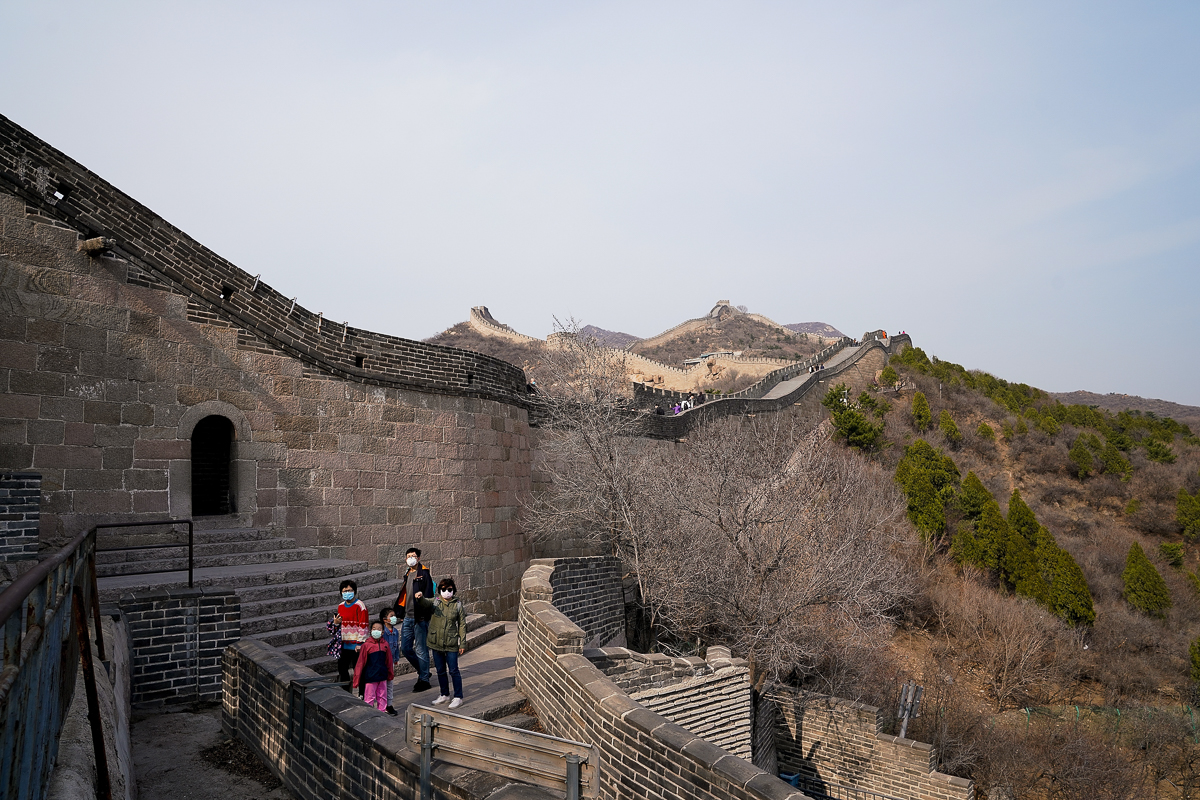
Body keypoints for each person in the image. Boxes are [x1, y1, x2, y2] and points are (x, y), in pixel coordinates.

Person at [415, 577, 467, 709]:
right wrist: (420, 598)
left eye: (449, 589)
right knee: (440, 670)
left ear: (453, 590)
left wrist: (462, 643)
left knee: (454, 670)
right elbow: (425, 603)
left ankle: (458, 696)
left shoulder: (458, 605)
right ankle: (444, 694)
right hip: (436, 641)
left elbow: (462, 624)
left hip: (451, 642)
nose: (446, 592)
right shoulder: (436, 602)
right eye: (443, 589)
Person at [395, 547, 434, 692]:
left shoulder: (424, 574)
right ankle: (423, 671)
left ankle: (424, 679)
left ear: (418, 558)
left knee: (421, 649)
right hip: (407, 617)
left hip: (420, 617)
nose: (411, 558)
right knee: (405, 648)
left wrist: (424, 612)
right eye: (408, 556)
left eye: (413, 556)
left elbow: (429, 596)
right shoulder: (407, 574)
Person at [331, 580, 369, 694]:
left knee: (360, 671)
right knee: (342, 670)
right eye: (345, 591)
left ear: (354, 591)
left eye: (350, 590)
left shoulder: (360, 606)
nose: (347, 593)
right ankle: (346, 692)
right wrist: (336, 623)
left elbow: (364, 625)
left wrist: (360, 643)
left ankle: (362, 694)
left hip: (356, 645)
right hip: (343, 644)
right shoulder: (340, 606)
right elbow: (338, 625)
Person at [352, 621, 395, 712]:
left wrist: (390, 675)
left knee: (382, 697)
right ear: (371, 631)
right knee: (369, 698)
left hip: (382, 676)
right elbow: (360, 663)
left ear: (383, 632)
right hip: (371, 677)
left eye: (379, 629)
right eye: (374, 629)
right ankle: (369, 715)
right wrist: (356, 680)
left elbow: (389, 661)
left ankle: (382, 714)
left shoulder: (385, 645)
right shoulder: (366, 645)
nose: (376, 631)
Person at [379, 608, 402, 715]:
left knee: (390, 684)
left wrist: (396, 658)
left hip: (391, 662)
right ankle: (381, 705)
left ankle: (389, 705)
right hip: (381, 662)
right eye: (391, 616)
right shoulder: (382, 632)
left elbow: (396, 646)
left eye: (394, 615)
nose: (394, 618)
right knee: (381, 684)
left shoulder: (396, 631)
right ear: (385, 620)